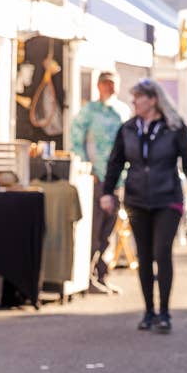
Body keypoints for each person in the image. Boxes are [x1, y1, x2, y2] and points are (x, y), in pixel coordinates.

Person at [100, 79, 187, 333]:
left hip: (167, 197)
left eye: (138, 98)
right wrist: (108, 192)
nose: (133, 102)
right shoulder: (128, 129)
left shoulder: (174, 128)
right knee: (144, 255)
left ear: (153, 100)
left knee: (161, 251)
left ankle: (164, 312)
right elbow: (115, 163)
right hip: (137, 197)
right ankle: (148, 311)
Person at [70, 71, 130, 294]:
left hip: (117, 179)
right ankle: (87, 274)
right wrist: (86, 167)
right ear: (98, 86)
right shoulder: (89, 111)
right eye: (106, 84)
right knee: (94, 227)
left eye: (113, 84)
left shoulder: (122, 111)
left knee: (108, 228)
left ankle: (101, 273)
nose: (109, 88)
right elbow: (75, 139)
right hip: (96, 177)